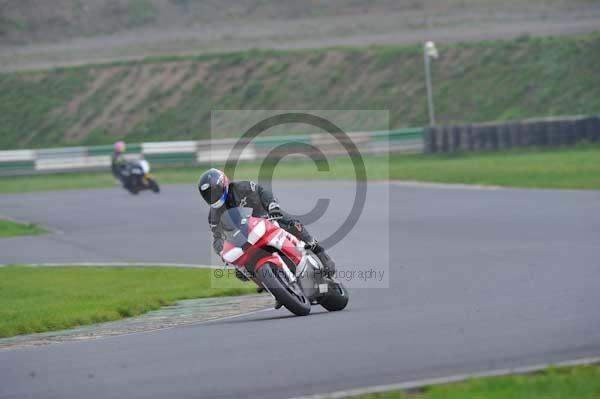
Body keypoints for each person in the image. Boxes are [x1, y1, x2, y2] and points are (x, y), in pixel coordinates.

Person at [198, 168, 336, 279]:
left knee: (291, 223)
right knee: (243, 273)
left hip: (266, 220)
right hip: (244, 239)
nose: (213, 196)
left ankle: (322, 255)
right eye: (208, 195)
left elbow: (262, 192)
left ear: (223, 184)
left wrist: (272, 207)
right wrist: (222, 252)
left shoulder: (242, 187)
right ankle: (274, 288)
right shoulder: (214, 216)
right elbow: (217, 238)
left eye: (215, 191)